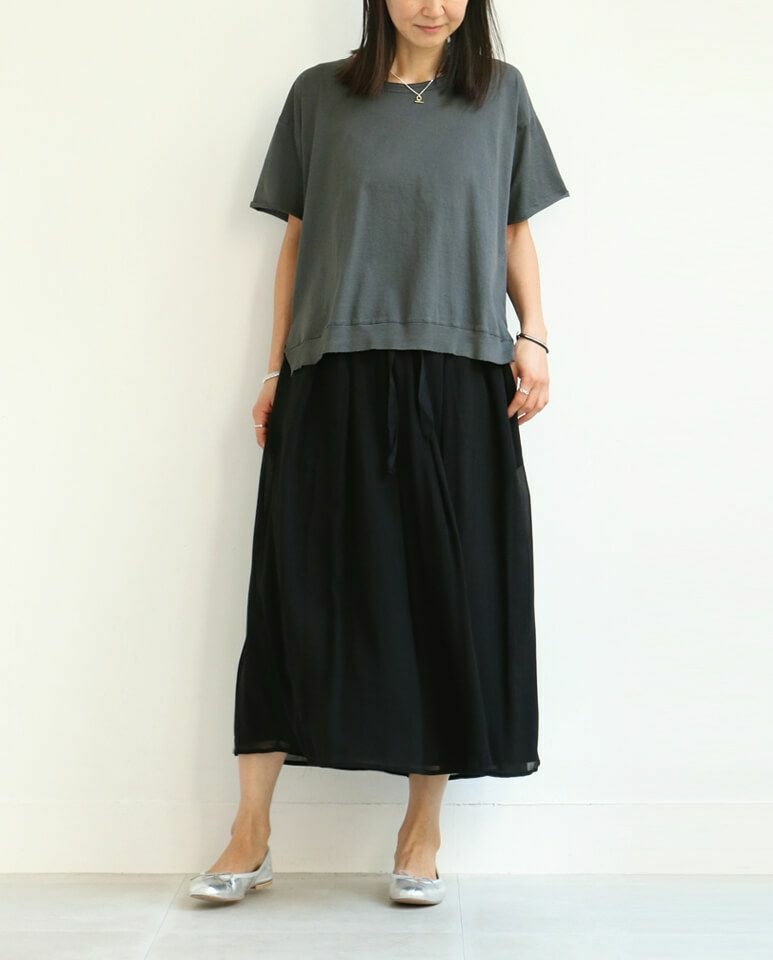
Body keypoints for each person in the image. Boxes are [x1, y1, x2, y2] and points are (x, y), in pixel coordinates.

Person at [190, 0, 569, 907]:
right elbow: (296, 240)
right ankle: (250, 833)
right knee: (294, 592)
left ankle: (421, 834)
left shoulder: (500, 95)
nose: (434, 4)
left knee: (447, 592)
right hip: (334, 367)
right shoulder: (320, 95)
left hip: (461, 372)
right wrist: (276, 366)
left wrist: (535, 336)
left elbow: (513, 229)